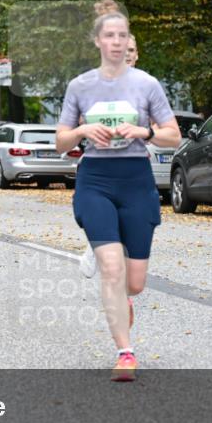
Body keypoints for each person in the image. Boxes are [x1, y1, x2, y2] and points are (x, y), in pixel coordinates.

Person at [56, 10, 180, 381]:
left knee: (135, 282)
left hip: (136, 180)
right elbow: (61, 140)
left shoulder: (147, 84)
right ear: (97, 41)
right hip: (95, 179)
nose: (116, 42)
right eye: (109, 35)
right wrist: (83, 130)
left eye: (122, 35)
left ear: (128, 42)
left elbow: (172, 135)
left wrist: (143, 133)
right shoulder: (80, 86)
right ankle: (125, 352)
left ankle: (123, 297)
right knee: (111, 267)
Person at [80, 22, 141, 278]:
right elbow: (81, 121)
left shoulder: (145, 86)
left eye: (131, 50)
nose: (127, 54)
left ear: (137, 55)